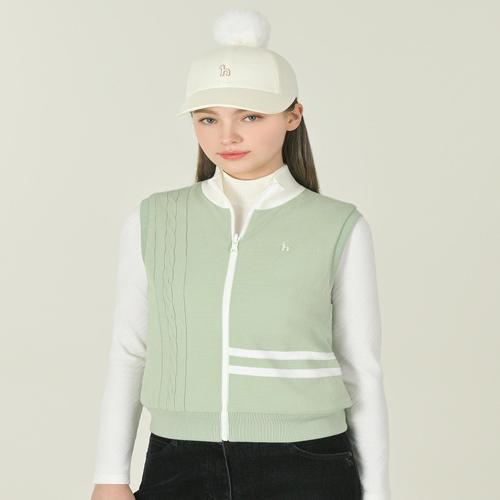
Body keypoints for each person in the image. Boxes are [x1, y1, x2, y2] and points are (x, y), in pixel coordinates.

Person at [91, 7, 390, 500]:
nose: (226, 136)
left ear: (293, 116)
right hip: (178, 463)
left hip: (307, 465)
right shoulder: (154, 220)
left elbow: (361, 371)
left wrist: (377, 494)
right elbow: (130, 351)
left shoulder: (338, 226)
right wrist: (109, 475)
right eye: (208, 118)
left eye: (250, 116)